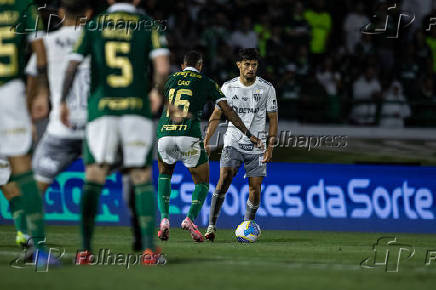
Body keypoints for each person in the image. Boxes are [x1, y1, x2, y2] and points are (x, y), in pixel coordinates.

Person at [60, 0, 170, 265]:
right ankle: (148, 251)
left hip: (101, 110)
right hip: (136, 108)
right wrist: (156, 91)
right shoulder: (149, 25)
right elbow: (163, 67)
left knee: (94, 175)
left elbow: (73, 65)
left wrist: (62, 101)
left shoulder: (94, 25)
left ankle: (85, 251)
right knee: (141, 176)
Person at [156, 51, 262, 242]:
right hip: (188, 135)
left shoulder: (170, 79)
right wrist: (248, 134)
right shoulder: (205, 81)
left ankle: (164, 219)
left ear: (182, 66)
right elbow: (227, 111)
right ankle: (189, 219)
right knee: (202, 183)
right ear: (200, 65)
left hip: (164, 135)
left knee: (165, 175)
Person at [0, 0, 56, 266]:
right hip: (9, 94)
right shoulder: (24, 6)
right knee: (22, 172)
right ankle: (40, 250)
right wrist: (40, 92)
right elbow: (40, 54)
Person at [204, 48, 278, 241]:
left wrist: (270, 148)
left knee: (255, 187)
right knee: (225, 177)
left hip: (258, 146)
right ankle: (211, 226)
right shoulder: (228, 88)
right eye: (247, 64)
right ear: (239, 65)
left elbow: (273, 119)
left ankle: (247, 225)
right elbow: (216, 115)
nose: (251, 68)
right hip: (233, 142)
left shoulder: (267, 88)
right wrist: (207, 139)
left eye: (254, 65)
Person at [26, 0, 92, 195]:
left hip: (60, 129)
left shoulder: (47, 42)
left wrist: (36, 103)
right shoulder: (98, 41)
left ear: (61, 13)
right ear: (88, 14)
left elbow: (34, 75)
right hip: (95, 129)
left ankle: (26, 227)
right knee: (105, 179)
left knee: (35, 188)